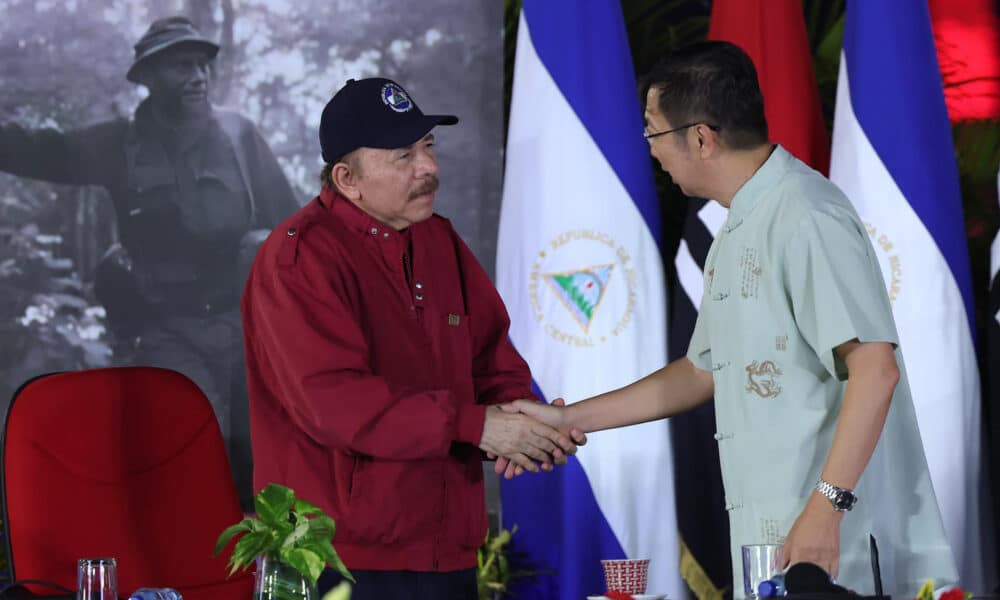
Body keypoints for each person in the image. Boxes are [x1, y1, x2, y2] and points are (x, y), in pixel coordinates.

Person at [501, 41, 958, 597]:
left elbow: (876, 370)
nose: (651, 151)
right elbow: (702, 371)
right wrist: (567, 420)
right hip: (771, 541)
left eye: (653, 132)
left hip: (830, 544)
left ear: (700, 137)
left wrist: (825, 508)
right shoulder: (741, 222)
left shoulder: (806, 213)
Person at [241, 77, 584, 600]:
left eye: (428, 146)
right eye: (404, 156)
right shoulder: (299, 258)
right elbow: (336, 402)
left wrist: (522, 421)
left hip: (445, 551)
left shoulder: (438, 238)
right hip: (338, 557)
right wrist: (479, 426)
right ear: (346, 178)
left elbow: (491, 356)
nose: (429, 168)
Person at [0, 16, 301, 507]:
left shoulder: (239, 136)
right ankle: (193, 578)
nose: (197, 76)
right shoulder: (118, 145)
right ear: (150, 76)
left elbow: (295, 231)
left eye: (202, 65)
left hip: (249, 332)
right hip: (169, 333)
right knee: (192, 460)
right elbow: (43, 151)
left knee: (264, 469)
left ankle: (263, 582)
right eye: (181, 65)